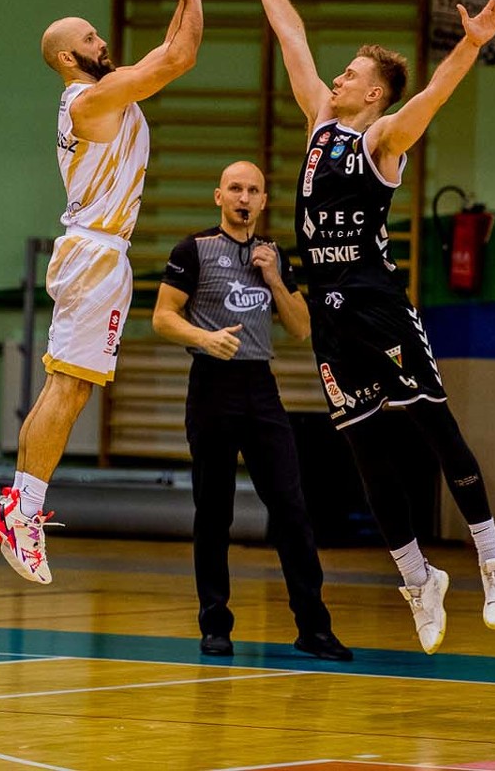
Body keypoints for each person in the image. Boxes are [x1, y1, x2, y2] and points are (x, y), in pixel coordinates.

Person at [237, 0, 495, 655]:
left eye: (351, 76)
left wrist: (471, 44)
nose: (337, 78)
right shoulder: (318, 124)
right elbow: (291, 36)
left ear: (372, 96)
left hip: (379, 308)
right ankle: (419, 579)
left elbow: (434, 95)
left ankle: (493, 563)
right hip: (329, 319)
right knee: (367, 453)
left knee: (435, 430)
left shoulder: (382, 139)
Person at [0, 0, 205, 584]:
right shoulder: (89, 101)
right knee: (68, 386)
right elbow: (178, 59)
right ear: (66, 57)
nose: (101, 41)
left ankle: (18, 505)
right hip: (95, 253)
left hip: (99, 252)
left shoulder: (104, 91)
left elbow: (167, 52)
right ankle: (21, 511)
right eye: (89, 37)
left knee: (67, 384)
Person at [152, 160, 352, 662]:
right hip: (211, 384)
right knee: (213, 512)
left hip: (260, 388)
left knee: (291, 508)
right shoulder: (193, 250)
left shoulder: (274, 254)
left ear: (263, 201)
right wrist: (204, 338)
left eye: (253, 190)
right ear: (219, 196)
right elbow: (162, 317)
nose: (244, 197)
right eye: (236, 188)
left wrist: (275, 280)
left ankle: (313, 628)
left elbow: (301, 328)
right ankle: (215, 624)